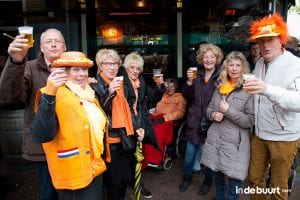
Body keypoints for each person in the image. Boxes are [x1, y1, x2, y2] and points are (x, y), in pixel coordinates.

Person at [30, 51, 109, 199]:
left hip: (94, 165)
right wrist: (50, 94)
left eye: (84, 69)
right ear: (64, 72)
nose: (81, 74)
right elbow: (41, 134)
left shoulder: (89, 93)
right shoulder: (51, 93)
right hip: (73, 171)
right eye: (75, 69)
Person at [0, 28, 66, 200]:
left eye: (57, 41)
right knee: (49, 193)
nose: (53, 44)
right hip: (45, 144)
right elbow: (10, 96)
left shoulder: (74, 68)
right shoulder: (28, 68)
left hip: (71, 141)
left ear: (64, 47)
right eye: (48, 41)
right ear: (41, 48)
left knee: (70, 190)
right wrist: (15, 61)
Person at [244, 13, 300, 200]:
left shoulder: (295, 65)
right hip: (260, 134)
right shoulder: (260, 62)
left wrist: (267, 89)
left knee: (277, 186)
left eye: (270, 40)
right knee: (254, 179)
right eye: (261, 41)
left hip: (284, 137)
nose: (265, 45)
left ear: (281, 40)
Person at [201, 51, 254, 200]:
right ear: (226, 67)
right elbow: (209, 108)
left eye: (238, 65)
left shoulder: (248, 89)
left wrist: (228, 111)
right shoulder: (220, 86)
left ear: (243, 68)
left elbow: (250, 121)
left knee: (234, 181)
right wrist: (213, 115)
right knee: (218, 178)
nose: (234, 68)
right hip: (216, 140)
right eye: (231, 64)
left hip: (234, 144)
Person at [90, 49, 139, 200]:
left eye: (115, 64)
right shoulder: (93, 86)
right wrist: (110, 93)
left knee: (125, 179)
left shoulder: (120, 85)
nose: (112, 67)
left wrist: (138, 127)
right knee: (114, 182)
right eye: (108, 64)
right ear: (100, 66)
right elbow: (99, 113)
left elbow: (129, 110)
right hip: (108, 142)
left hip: (124, 138)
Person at [179, 43, 224, 195]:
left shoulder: (221, 77)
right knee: (189, 155)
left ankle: (207, 182)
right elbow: (186, 94)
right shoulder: (196, 75)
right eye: (205, 57)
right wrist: (189, 82)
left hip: (212, 124)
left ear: (217, 59)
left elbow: (225, 97)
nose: (209, 59)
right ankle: (186, 178)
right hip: (194, 121)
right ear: (201, 59)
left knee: (209, 158)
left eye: (212, 57)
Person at [121, 51, 161, 199]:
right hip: (125, 126)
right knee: (124, 160)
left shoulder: (141, 82)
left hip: (139, 125)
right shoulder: (121, 81)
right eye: (132, 67)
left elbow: (153, 97)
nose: (135, 71)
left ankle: (137, 184)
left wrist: (158, 86)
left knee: (136, 157)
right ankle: (124, 188)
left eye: (138, 68)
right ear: (126, 67)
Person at [142, 77, 186, 169]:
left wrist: (164, 118)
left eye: (172, 86)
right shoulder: (162, 95)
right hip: (155, 117)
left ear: (176, 87)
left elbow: (180, 113)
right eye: (168, 86)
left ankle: (154, 159)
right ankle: (145, 157)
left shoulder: (180, 97)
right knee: (145, 131)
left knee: (157, 134)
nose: (169, 88)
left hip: (167, 120)